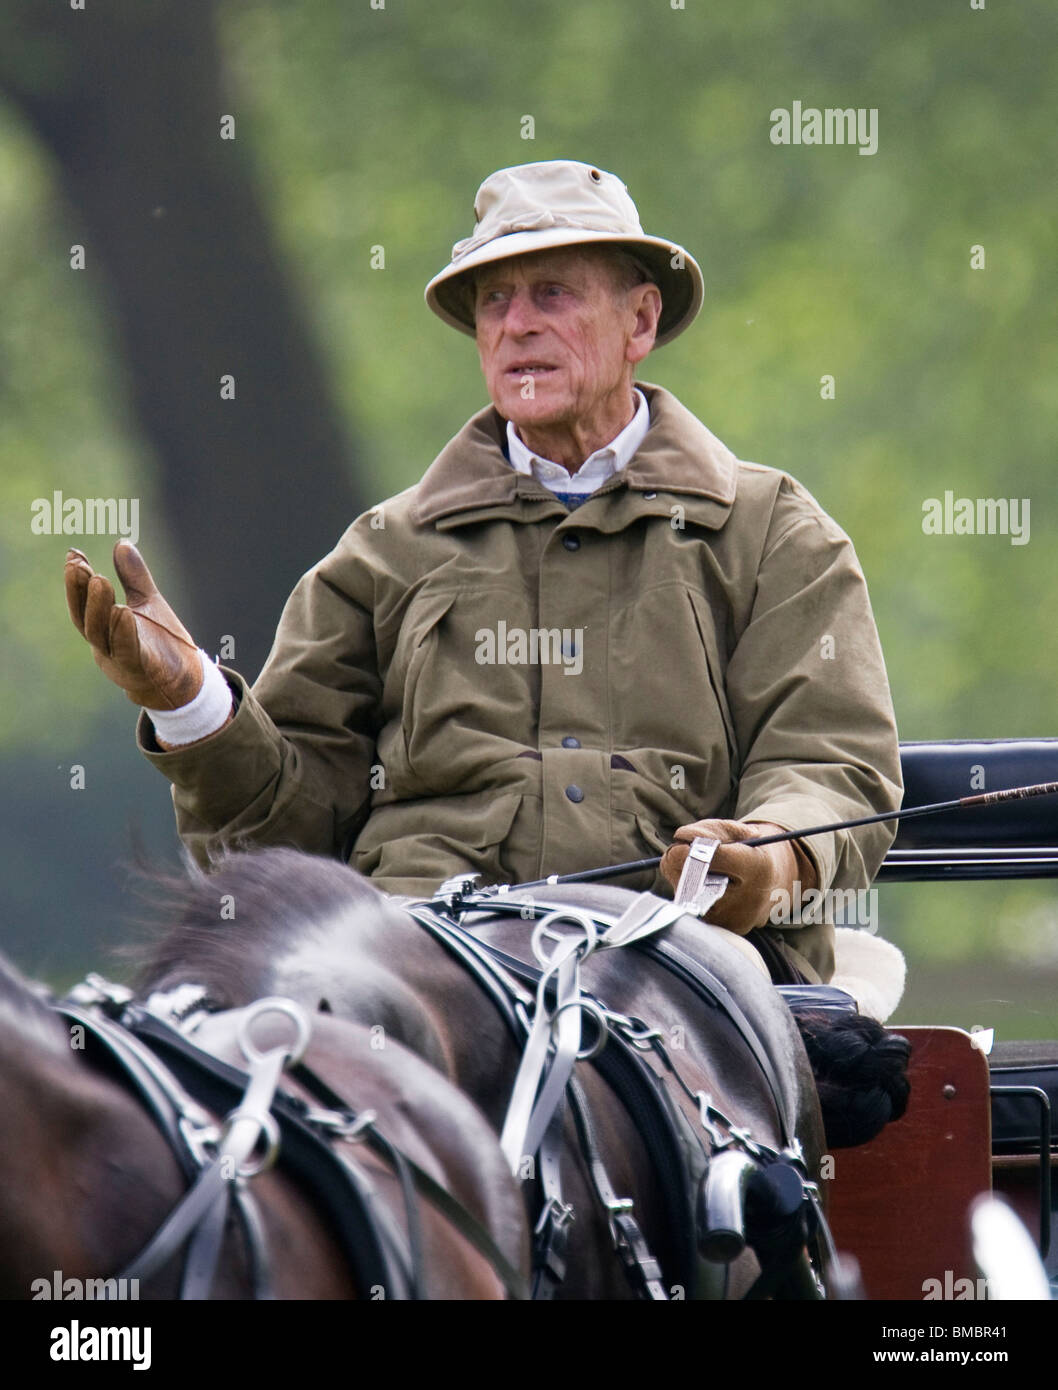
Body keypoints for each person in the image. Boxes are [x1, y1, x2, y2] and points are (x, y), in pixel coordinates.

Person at [65, 159, 903, 985]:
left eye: (553, 294)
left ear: (639, 322)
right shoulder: (385, 552)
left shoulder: (772, 534)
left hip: (681, 963)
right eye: (494, 301)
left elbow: (832, 765)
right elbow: (281, 844)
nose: (515, 325)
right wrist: (192, 709)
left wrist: (773, 856)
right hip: (419, 968)